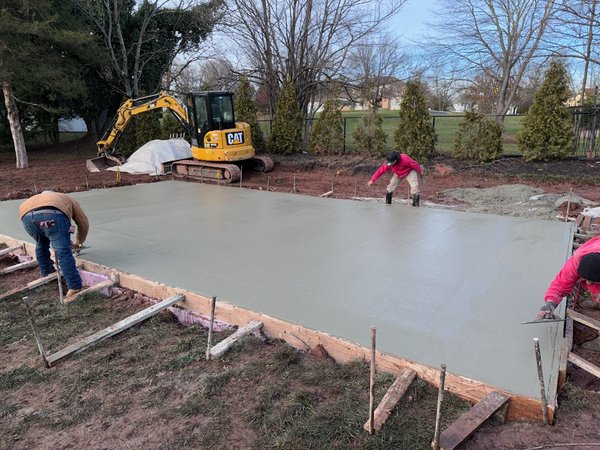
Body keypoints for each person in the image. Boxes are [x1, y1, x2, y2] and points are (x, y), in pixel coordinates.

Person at [19, 191, 89, 298]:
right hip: (52, 215)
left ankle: (47, 273)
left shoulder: (35, 198)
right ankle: (74, 286)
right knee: (63, 251)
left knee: (41, 244)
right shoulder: (66, 198)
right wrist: (79, 242)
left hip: (27, 219)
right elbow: (83, 223)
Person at [538, 236, 600, 351]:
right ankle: (594, 299)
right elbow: (560, 284)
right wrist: (551, 303)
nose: (588, 283)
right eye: (586, 279)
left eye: (592, 281)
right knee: (579, 285)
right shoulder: (576, 261)